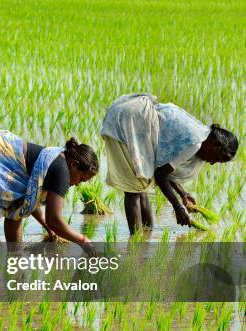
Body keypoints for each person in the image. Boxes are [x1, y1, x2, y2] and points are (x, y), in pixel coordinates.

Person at [0, 127, 99, 261]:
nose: (78, 184)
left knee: (15, 213)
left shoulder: (56, 159)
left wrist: (46, 226)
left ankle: (13, 260)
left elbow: (26, 204)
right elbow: (54, 219)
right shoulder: (62, 172)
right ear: (74, 164)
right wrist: (83, 240)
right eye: (81, 179)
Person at [101, 93, 239, 234]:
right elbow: (160, 175)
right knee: (134, 190)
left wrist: (183, 193)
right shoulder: (195, 143)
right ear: (215, 144)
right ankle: (136, 245)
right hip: (128, 120)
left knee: (141, 186)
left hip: (135, 118)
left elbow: (165, 167)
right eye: (217, 158)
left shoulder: (200, 133)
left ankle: (147, 236)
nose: (212, 163)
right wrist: (178, 207)